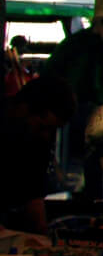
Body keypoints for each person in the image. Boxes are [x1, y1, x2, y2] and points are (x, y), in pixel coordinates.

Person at [0, 76, 75, 239]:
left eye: (53, 130)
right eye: (42, 127)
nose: (46, 136)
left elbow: (33, 197)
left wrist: (42, 241)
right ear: (22, 108)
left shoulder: (36, 141)